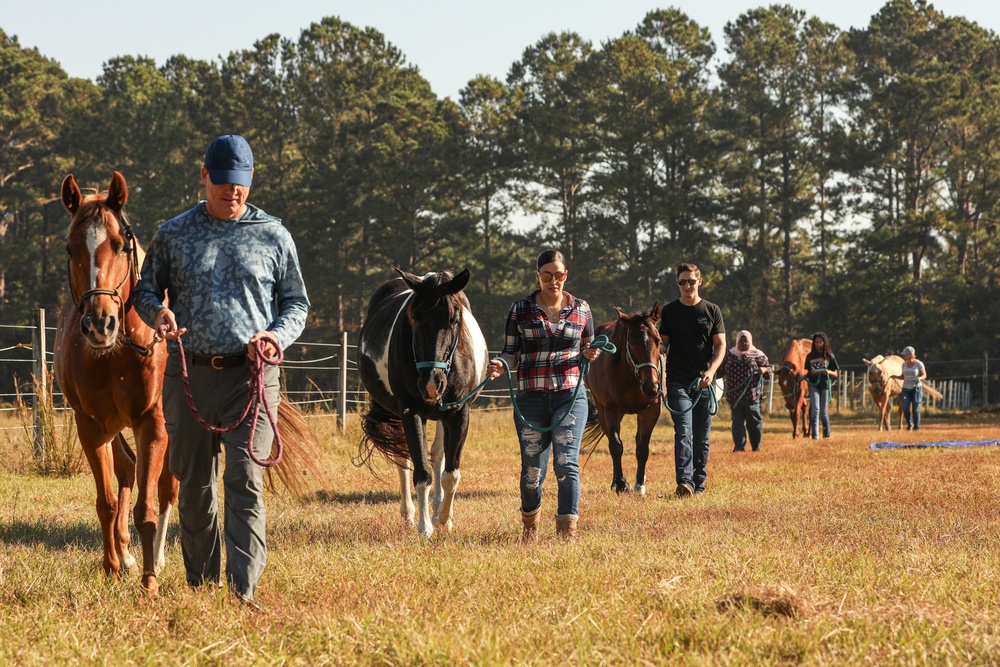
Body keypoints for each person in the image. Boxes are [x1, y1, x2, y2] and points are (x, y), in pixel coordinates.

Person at [134, 134, 309, 608]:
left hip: (252, 379)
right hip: (190, 375)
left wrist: (275, 336)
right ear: (205, 175)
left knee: (245, 481)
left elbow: (296, 303)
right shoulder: (173, 233)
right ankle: (201, 583)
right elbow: (143, 291)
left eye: (243, 184)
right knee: (193, 487)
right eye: (225, 183)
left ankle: (242, 591)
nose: (234, 193)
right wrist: (159, 315)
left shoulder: (274, 235)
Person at [485, 250, 601, 541]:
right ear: (538, 277)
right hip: (531, 399)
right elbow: (511, 353)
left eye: (558, 275)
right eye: (547, 276)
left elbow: (590, 349)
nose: (553, 281)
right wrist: (501, 364)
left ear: (566, 275)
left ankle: (567, 533)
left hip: (569, 396)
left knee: (566, 463)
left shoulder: (582, 308)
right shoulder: (520, 309)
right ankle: (530, 527)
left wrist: (591, 353)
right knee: (532, 471)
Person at [658, 263, 726, 497]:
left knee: (701, 436)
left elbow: (720, 346)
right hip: (677, 381)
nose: (687, 286)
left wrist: (711, 370)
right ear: (677, 284)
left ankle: (699, 484)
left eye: (690, 281)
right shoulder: (669, 311)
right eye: (682, 282)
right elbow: (663, 344)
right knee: (684, 430)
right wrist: (657, 351)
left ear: (700, 282)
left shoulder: (712, 310)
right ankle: (685, 482)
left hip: (704, 381)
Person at [719, 330, 771, 452]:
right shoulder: (730, 354)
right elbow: (720, 370)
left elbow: (768, 370)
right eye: (741, 341)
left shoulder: (758, 354)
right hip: (734, 396)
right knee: (737, 423)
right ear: (737, 341)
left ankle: (756, 446)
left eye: (746, 341)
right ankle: (739, 447)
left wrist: (763, 370)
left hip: (752, 396)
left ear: (750, 341)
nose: (743, 343)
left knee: (753, 422)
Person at [805, 331, 839, 439]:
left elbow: (836, 373)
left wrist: (828, 372)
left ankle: (826, 434)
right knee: (815, 410)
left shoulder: (830, 356)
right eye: (816, 342)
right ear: (813, 343)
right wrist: (805, 376)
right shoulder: (810, 356)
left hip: (824, 385)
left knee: (823, 411)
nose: (818, 344)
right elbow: (808, 372)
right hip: (813, 385)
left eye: (820, 342)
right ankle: (815, 436)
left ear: (824, 343)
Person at [894, 346, 927, 431]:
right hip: (906, 389)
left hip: (916, 389)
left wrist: (919, 378)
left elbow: (924, 375)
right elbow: (903, 376)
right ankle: (910, 423)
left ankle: (916, 428)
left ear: (911, 354)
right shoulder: (904, 364)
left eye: (905, 354)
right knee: (905, 408)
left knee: (915, 410)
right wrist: (894, 377)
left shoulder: (919, 364)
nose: (904, 356)